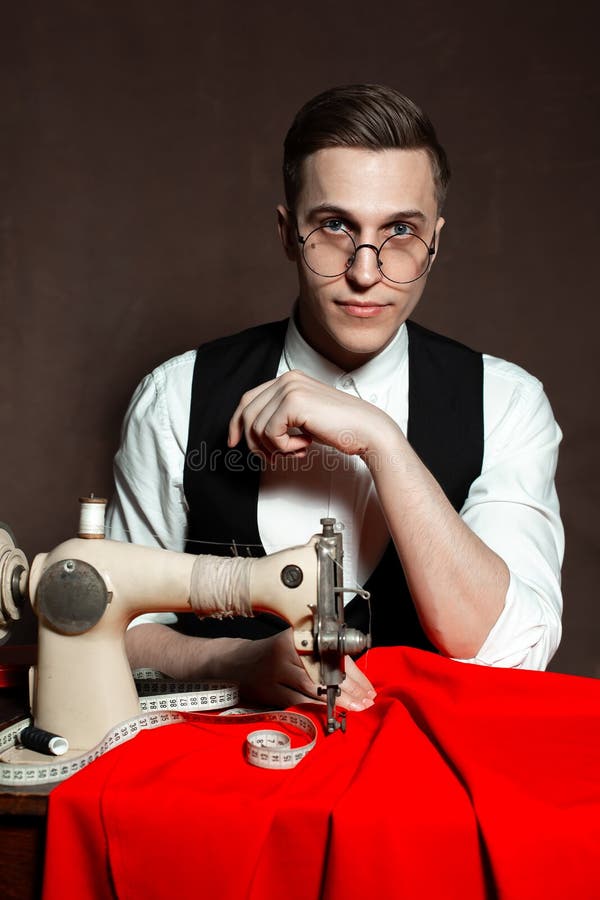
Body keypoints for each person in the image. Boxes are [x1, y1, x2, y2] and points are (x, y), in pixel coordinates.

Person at [106, 84, 563, 714]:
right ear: (288, 234)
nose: (366, 272)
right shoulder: (173, 396)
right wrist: (239, 663)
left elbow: (511, 652)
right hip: (226, 790)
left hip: (421, 799)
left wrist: (381, 440)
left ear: (437, 241)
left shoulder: (508, 403)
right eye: (334, 226)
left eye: (401, 229)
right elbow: (113, 631)